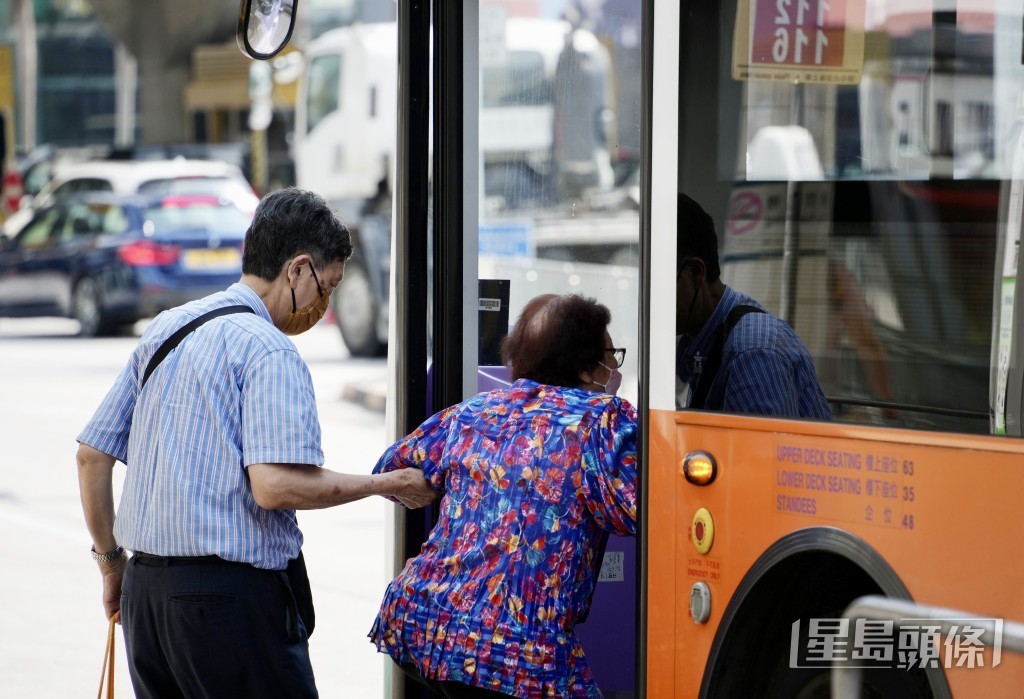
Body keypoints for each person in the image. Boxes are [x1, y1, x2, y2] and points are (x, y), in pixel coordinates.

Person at [76, 187, 437, 699]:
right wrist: (387, 484)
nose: (323, 304)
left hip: (146, 602)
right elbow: (274, 486)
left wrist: (113, 567)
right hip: (227, 606)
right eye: (327, 286)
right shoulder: (268, 349)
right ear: (298, 270)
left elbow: (91, 456)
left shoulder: (167, 328)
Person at [369, 293, 638, 698]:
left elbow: (392, 467)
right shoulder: (601, 423)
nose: (615, 366)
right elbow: (643, 510)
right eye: (609, 354)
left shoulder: (474, 412)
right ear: (586, 366)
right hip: (522, 652)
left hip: (426, 619)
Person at [675, 192, 832, 419]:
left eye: (659, 280)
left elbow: (761, 453)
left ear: (696, 273)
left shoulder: (752, 351)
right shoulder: (710, 338)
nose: (653, 297)